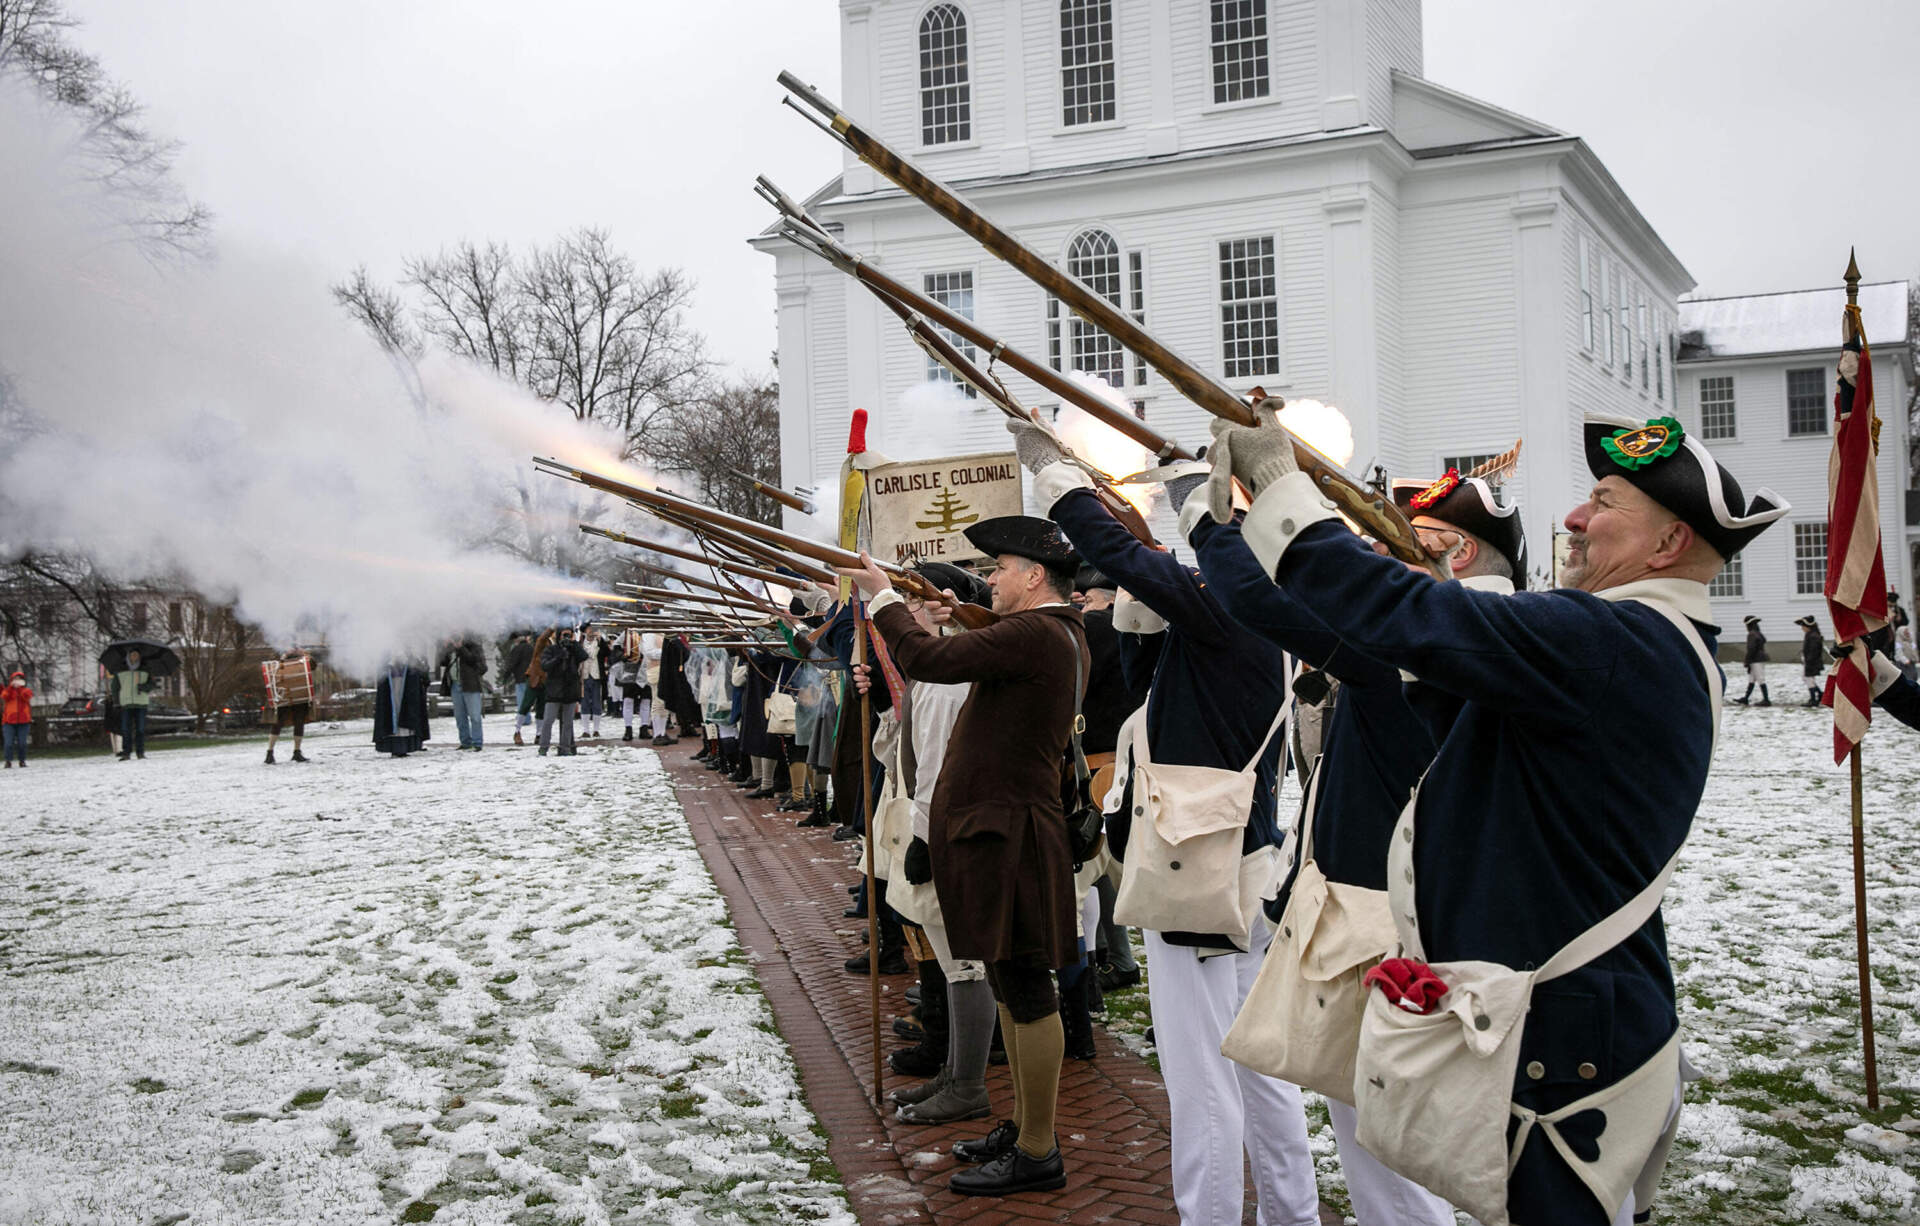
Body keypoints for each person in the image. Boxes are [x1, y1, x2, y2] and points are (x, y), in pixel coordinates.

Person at [1201, 407, 1785, 1226]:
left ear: (1667, 544)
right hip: (1560, 1022)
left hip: (1564, 1044)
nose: (1577, 519)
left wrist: (1281, 493)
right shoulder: (1630, 639)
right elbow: (1423, 654)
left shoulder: (1617, 637)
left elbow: (1409, 619)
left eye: (1606, 502)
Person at [1190, 464, 1524, 1226]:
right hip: (1420, 918)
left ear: (1457, 555)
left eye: (1388, 545)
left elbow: (1252, 598)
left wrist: (1206, 519)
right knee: (1390, 1143)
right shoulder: (1491, 634)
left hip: (1390, 931)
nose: (1367, 562)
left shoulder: (1420, 640)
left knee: (1390, 1159)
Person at [1015, 426, 1322, 1226]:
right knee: (1259, 1072)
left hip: (1201, 871)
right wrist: (1144, 594)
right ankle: (1290, 1215)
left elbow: (1126, 559)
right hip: (1237, 864)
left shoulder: (1235, 609)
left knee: (1202, 1082)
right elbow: (1150, 679)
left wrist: (1060, 482)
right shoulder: (1253, 615)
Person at [838, 515, 1086, 1198]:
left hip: (1013, 834)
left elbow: (929, 659)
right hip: (1008, 832)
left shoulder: (1040, 632)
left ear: (1035, 576)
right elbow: (985, 645)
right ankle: (1027, 1127)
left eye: (1001, 569)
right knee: (1012, 983)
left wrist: (884, 598)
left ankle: (1038, 1148)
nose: (992, 579)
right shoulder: (1048, 632)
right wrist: (964, 613)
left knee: (1028, 990)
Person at [538, 626, 587, 757]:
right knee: (548, 720)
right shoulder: (551, 649)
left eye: (569, 635)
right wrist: (559, 656)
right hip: (554, 690)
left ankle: (565, 748)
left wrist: (574, 644)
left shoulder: (574, 649)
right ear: (559, 636)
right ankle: (543, 748)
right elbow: (545, 665)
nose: (566, 638)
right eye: (564, 635)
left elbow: (584, 656)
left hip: (570, 689)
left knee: (568, 723)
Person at [373, 659, 431, 758]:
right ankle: (395, 748)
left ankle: (405, 747)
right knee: (392, 714)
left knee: (406, 715)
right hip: (392, 685)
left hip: (407, 685)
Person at [264, 650, 314, 764]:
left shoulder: (301, 655)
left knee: (298, 723)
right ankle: (270, 753)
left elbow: (312, 665)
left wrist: (305, 655)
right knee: (277, 724)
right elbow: (270, 668)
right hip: (282, 694)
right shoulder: (277, 655)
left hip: (299, 693)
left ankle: (296, 752)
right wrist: (283, 656)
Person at [109, 648, 155, 761]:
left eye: (137, 655)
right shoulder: (120, 670)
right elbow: (115, 687)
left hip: (141, 703)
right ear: (128, 656)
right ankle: (126, 753)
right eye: (132, 655)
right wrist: (116, 702)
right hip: (126, 703)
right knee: (125, 729)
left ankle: (140, 752)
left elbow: (152, 684)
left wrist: (144, 687)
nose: (135, 657)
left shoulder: (145, 669)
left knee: (140, 729)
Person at [503, 630, 534, 746]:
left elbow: (512, 664)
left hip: (520, 677)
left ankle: (524, 719)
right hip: (530, 677)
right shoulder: (531, 648)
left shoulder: (516, 649)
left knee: (522, 701)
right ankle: (527, 718)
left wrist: (505, 677)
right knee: (528, 699)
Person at [579, 624, 608, 739]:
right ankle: (586, 730)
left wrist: (601, 641)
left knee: (597, 703)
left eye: (593, 630)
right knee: (584, 703)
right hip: (584, 677)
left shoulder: (600, 643)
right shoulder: (580, 644)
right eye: (589, 630)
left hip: (597, 677)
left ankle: (596, 730)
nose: (592, 632)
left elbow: (607, 653)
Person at [1735, 614, 1769, 706]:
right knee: (1752, 679)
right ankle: (1745, 698)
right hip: (1758, 658)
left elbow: (1751, 649)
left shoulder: (1752, 634)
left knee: (1760, 679)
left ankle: (1766, 700)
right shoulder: (1758, 633)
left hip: (1756, 659)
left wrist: (1747, 661)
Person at [3, 670, 32, 769]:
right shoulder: (8, 690)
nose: (17, 681)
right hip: (8, 721)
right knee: (8, 743)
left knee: (22, 743)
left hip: (23, 721)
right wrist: (11, 688)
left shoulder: (26, 690)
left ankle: (22, 760)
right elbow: (4, 696)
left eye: (19, 679)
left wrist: (19, 689)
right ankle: (8, 761)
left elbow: (26, 697)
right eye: (15, 679)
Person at [1797, 615, 1826, 707]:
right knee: (1806, 678)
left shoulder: (1813, 636)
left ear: (1808, 626)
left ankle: (1814, 700)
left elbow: (1813, 651)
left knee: (1809, 679)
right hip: (1809, 662)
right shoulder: (1810, 635)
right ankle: (1820, 694)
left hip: (1812, 662)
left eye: (1803, 626)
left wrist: (1808, 661)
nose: (1802, 628)